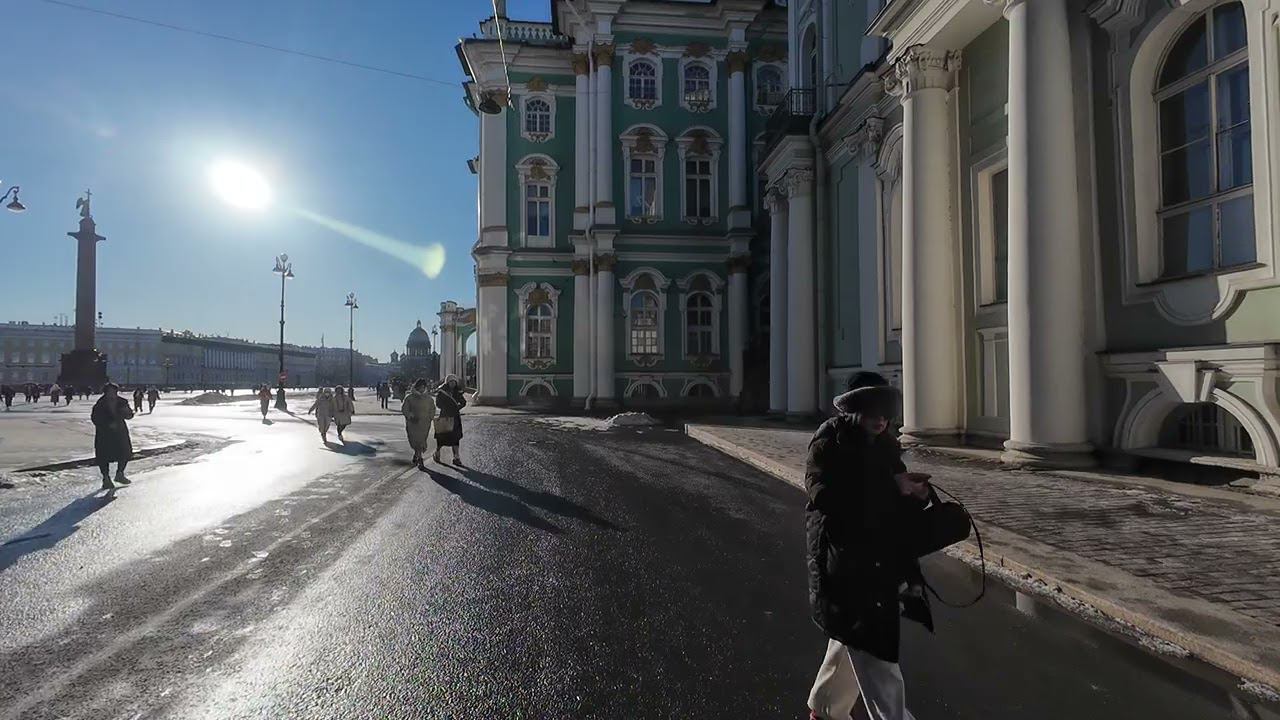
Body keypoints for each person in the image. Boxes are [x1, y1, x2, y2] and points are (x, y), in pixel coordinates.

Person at [805, 371, 936, 720]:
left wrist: (915, 496)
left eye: (885, 412)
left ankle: (826, 710)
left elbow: (889, 508)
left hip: (879, 563)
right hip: (845, 566)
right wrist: (891, 486)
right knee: (878, 657)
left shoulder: (886, 447)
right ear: (852, 411)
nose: (881, 419)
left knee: (854, 639)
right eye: (872, 411)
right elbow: (825, 497)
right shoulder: (828, 444)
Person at [91, 382, 135, 490]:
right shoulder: (100, 404)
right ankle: (106, 478)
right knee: (103, 456)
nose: (112, 394)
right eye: (110, 392)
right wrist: (107, 424)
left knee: (125, 452)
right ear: (105, 393)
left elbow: (129, 414)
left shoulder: (122, 402)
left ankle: (120, 474)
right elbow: (95, 418)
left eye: (114, 392)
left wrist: (128, 413)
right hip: (105, 434)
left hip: (120, 433)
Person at [401, 378, 436, 467]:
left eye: (423, 387)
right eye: (420, 387)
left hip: (424, 424)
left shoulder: (429, 399)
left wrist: (430, 417)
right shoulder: (410, 398)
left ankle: (419, 457)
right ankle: (417, 454)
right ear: (417, 387)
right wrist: (410, 416)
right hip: (413, 424)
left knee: (421, 440)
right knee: (414, 440)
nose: (422, 389)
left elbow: (432, 409)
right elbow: (405, 409)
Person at [432, 374, 466, 465]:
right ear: (447, 382)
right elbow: (438, 404)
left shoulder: (457, 392)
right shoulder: (442, 392)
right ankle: (437, 452)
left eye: (454, 382)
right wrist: (447, 407)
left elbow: (463, 402)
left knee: (455, 437)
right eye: (451, 382)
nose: (453, 384)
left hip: (455, 417)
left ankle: (456, 457)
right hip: (445, 416)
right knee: (441, 437)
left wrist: (457, 408)